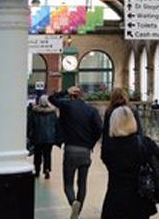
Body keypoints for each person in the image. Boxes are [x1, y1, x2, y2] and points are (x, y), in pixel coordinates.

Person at [100, 106, 159, 219]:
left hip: (115, 200)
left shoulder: (109, 147)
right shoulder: (143, 143)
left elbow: (107, 161)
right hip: (139, 200)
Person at [49, 86, 103, 219]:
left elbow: (51, 98)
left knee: (68, 183)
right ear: (82, 96)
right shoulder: (91, 110)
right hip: (85, 151)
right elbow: (99, 129)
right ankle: (77, 213)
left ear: (71, 96)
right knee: (82, 183)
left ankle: (73, 203)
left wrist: (65, 91)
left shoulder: (66, 106)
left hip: (70, 150)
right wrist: (90, 143)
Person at [27, 95, 59, 180]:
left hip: (37, 137)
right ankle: (47, 169)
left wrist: (28, 135)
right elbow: (56, 125)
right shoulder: (52, 112)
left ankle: (37, 170)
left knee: (37, 155)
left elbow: (30, 124)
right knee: (47, 155)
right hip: (49, 138)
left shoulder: (34, 112)